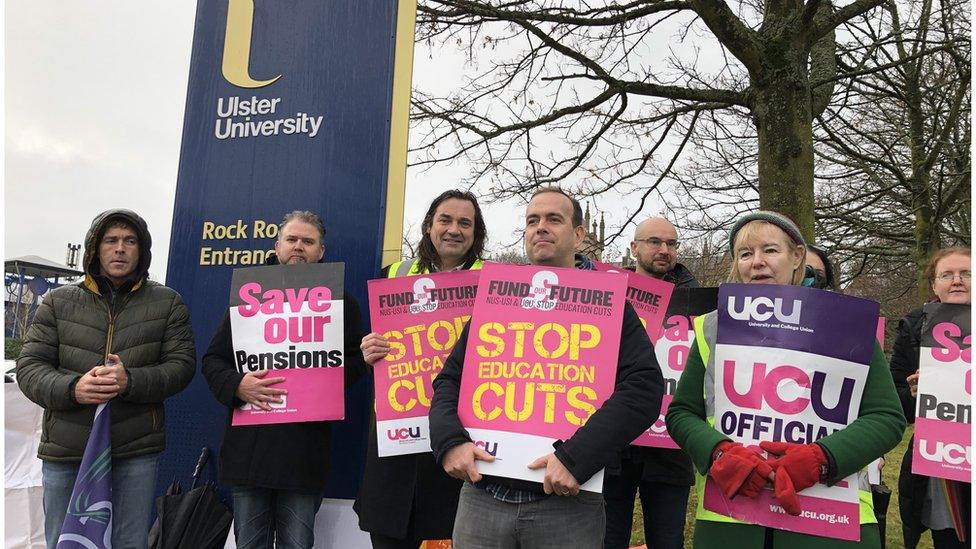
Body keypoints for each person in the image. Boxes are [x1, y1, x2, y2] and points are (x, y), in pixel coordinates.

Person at [429, 187, 665, 548]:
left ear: (580, 234)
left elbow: (644, 389)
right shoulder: (497, 299)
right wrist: (449, 443)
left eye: (554, 219)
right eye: (532, 221)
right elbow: (449, 379)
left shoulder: (613, 302)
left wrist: (575, 457)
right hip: (482, 499)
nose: (541, 228)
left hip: (568, 505)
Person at [666, 210, 906, 548]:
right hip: (731, 520)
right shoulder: (711, 327)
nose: (757, 262)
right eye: (745, 253)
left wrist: (822, 458)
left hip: (830, 521)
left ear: (797, 257)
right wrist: (718, 453)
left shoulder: (845, 324)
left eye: (770, 250)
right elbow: (680, 413)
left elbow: (886, 418)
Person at [16, 209, 196, 548]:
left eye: (129, 241)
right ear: (95, 249)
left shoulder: (168, 303)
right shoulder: (57, 302)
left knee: (130, 541)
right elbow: (29, 368)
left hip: (135, 447)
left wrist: (131, 381)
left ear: (141, 251)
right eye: (111, 241)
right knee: (65, 539)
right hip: (67, 448)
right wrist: (73, 389)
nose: (120, 249)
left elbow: (182, 367)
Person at [202, 210, 367, 549]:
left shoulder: (341, 304)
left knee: (297, 544)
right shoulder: (249, 299)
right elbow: (213, 360)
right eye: (291, 240)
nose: (298, 247)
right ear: (277, 247)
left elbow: (352, 365)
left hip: (304, 455)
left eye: (308, 241)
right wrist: (237, 385)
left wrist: (358, 363)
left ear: (321, 252)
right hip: (249, 452)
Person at [355, 190, 487, 548]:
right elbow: (375, 361)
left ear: (476, 234)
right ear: (429, 226)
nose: (454, 230)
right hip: (394, 452)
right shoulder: (392, 275)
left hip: (458, 449)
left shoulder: (494, 284)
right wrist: (368, 353)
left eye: (465, 223)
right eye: (445, 220)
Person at [603, 217, 699, 549]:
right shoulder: (610, 293)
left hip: (669, 442)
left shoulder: (697, 300)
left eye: (672, 244)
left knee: (667, 541)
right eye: (655, 242)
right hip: (616, 440)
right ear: (634, 248)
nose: (664, 250)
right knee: (607, 538)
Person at [891, 247, 971, 548]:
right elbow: (895, 402)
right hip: (944, 467)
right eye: (947, 275)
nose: (957, 281)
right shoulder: (914, 327)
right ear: (934, 285)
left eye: (966, 273)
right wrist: (916, 395)